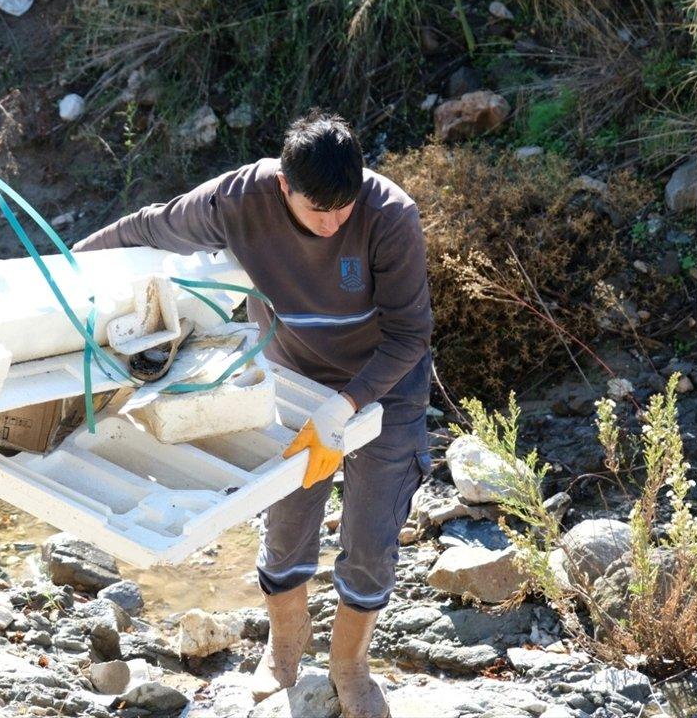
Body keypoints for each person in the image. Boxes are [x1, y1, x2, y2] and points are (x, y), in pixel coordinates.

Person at [70, 109, 433, 718]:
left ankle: (350, 664)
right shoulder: (239, 199)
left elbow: (409, 335)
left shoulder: (389, 215)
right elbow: (150, 229)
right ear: (284, 186)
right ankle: (285, 647)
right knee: (287, 521)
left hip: (384, 388)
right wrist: (62, 268)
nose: (332, 224)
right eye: (318, 211)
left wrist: (344, 407)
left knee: (372, 537)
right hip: (292, 381)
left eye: (343, 209)